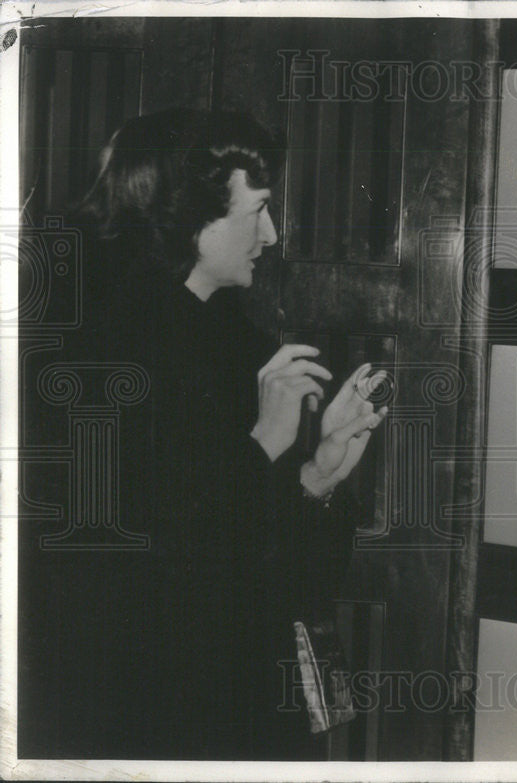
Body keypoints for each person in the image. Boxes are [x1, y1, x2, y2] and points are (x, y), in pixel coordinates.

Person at [21, 108, 386, 760]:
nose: (271, 235)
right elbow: (143, 580)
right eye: (257, 212)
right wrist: (263, 448)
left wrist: (317, 476)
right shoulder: (93, 354)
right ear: (190, 215)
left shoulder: (230, 338)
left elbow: (278, 576)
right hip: (149, 717)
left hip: (231, 703)